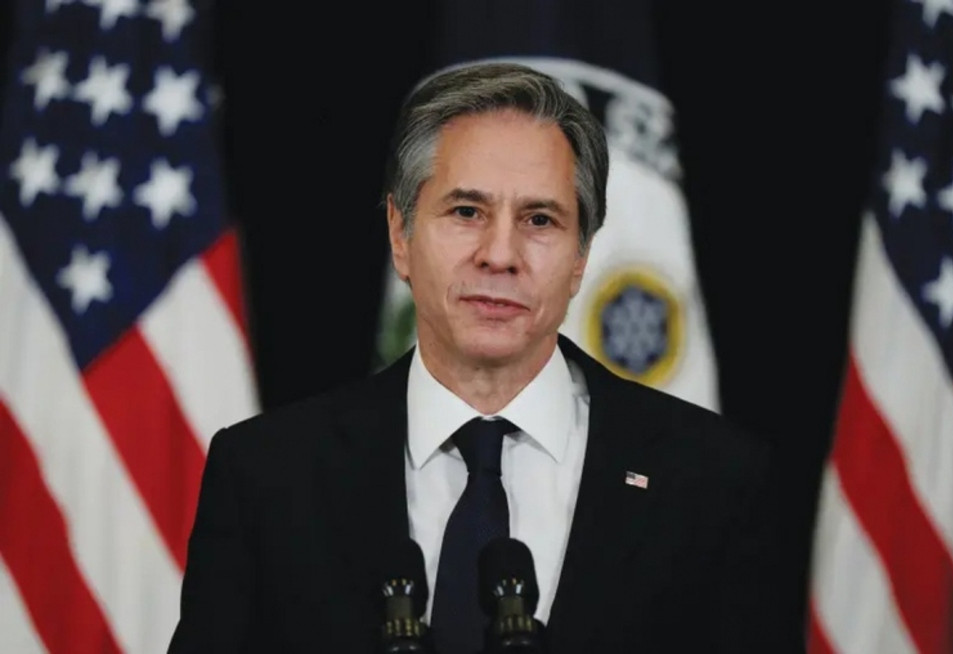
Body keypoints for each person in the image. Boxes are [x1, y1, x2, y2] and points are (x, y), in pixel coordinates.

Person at [168, 62, 802, 653]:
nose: (500, 255)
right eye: (467, 211)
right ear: (400, 234)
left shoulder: (714, 482)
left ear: (580, 257)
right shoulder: (267, 477)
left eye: (540, 220)